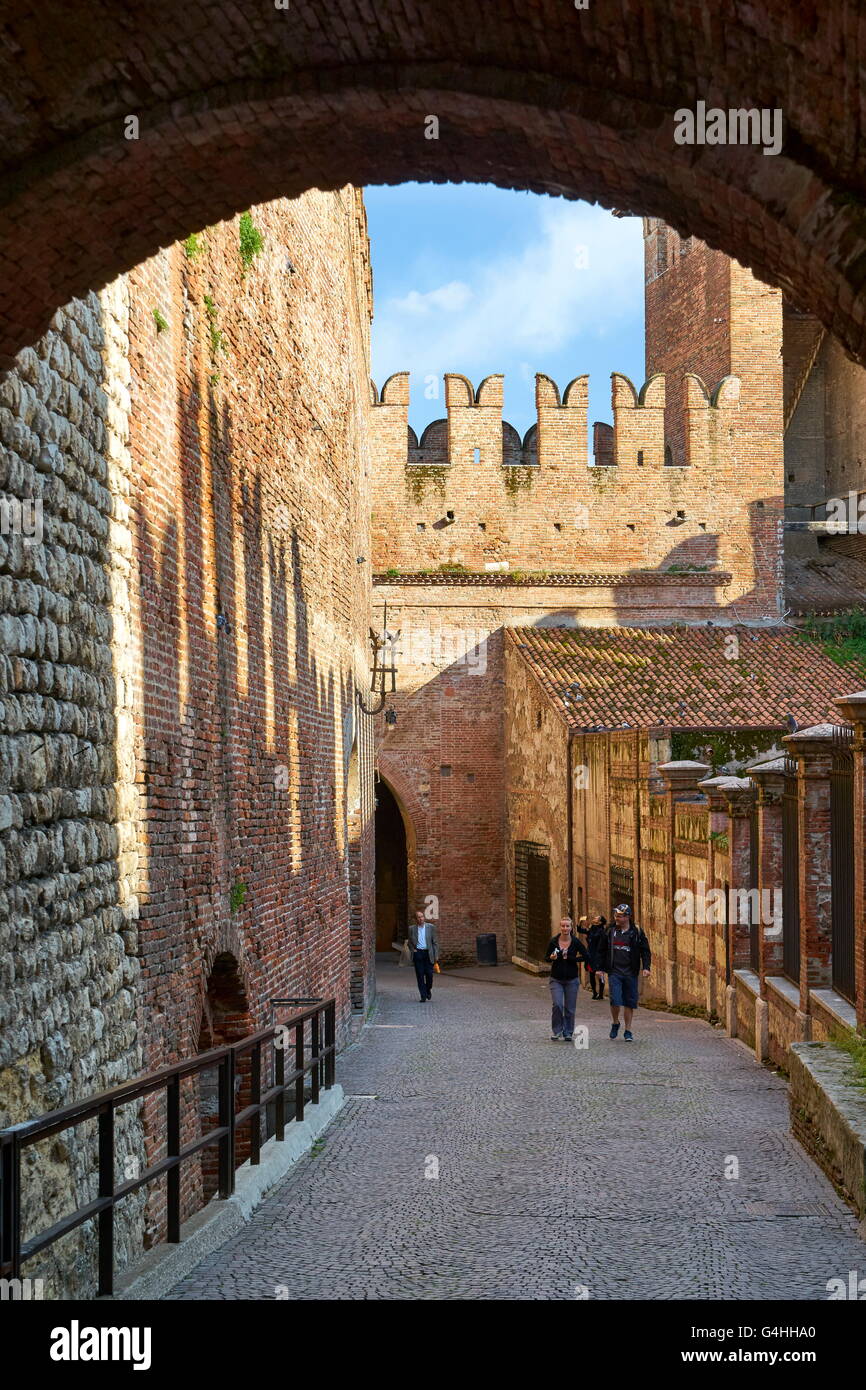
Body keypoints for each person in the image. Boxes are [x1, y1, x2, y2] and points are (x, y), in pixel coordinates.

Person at [593, 904, 651, 1041]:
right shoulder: (610, 931)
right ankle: (615, 1022)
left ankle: (628, 1030)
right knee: (615, 1000)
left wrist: (646, 967)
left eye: (619, 916)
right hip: (614, 972)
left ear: (627, 917)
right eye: (616, 916)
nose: (616, 918)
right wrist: (599, 968)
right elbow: (601, 950)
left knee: (629, 1002)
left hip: (631, 972)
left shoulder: (636, 932)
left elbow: (645, 951)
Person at [545, 917, 588, 1041]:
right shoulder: (553, 941)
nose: (565, 928)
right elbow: (546, 957)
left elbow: (586, 956)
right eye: (563, 926)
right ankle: (557, 1031)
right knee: (557, 1004)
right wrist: (552, 957)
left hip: (572, 979)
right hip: (556, 979)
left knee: (570, 1008)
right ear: (560, 927)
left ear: (571, 928)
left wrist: (572, 959)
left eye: (567, 926)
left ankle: (568, 1032)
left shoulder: (575, 942)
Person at [408, 909, 439, 1002]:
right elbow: (409, 942)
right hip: (418, 954)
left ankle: (428, 989)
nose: (421, 918)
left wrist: (436, 955)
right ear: (415, 919)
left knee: (429, 975)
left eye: (422, 916)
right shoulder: (411, 929)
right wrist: (413, 950)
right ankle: (423, 995)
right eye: (418, 917)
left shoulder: (431, 927)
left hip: (428, 953)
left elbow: (435, 942)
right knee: (420, 975)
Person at [577, 914, 607, 1000]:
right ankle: (594, 992)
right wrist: (581, 922)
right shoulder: (591, 929)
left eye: (597, 917)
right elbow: (580, 930)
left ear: (600, 922)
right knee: (592, 974)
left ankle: (601, 993)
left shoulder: (601, 931)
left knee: (600, 975)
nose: (594, 918)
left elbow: (601, 944)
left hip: (598, 956)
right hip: (590, 955)